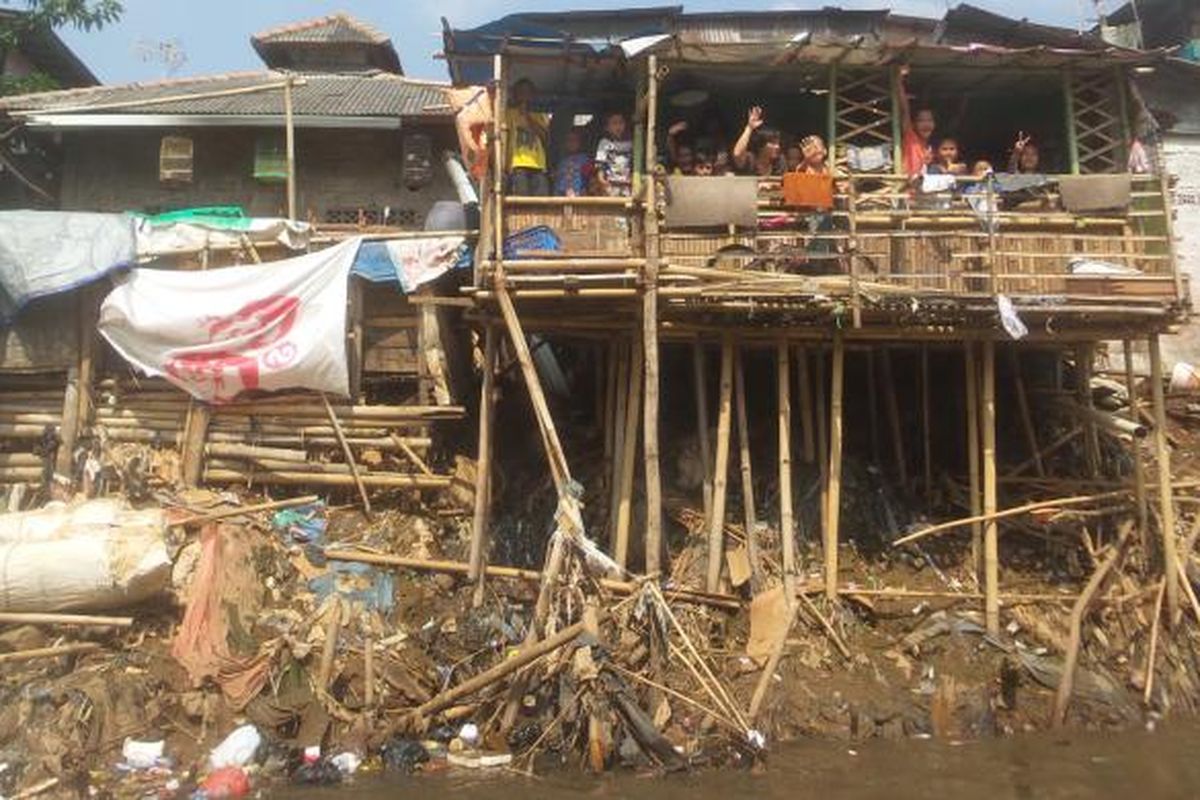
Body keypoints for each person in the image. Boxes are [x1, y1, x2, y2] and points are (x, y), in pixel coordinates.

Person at [506, 78, 550, 195]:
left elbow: (545, 136)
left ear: (533, 95)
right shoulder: (509, 113)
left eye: (527, 92)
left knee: (541, 200)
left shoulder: (540, 113)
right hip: (517, 164)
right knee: (521, 199)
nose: (524, 95)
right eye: (521, 92)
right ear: (515, 94)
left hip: (539, 165)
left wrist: (527, 117)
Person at [897, 65, 935, 178]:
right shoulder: (911, 137)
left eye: (930, 120)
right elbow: (904, 108)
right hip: (908, 191)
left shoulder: (930, 148)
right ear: (913, 124)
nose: (926, 124)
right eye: (921, 120)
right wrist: (899, 80)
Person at [732, 106, 786, 176]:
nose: (777, 146)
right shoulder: (750, 160)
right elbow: (737, 154)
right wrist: (749, 128)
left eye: (778, 143)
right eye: (773, 143)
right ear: (762, 144)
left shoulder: (779, 162)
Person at [594, 111, 634, 197]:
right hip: (611, 183)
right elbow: (600, 163)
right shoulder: (604, 143)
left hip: (627, 184)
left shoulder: (631, 144)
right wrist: (601, 179)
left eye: (620, 122)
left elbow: (634, 163)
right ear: (607, 128)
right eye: (614, 123)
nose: (618, 126)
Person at [553, 128, 592, 197]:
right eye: (569, 140)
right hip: (561, 193)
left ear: (580, 142)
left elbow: (588, 176)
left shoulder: (584, 159)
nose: (572, 143)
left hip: (578, 192)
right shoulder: (562, 161)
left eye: (575, 140)